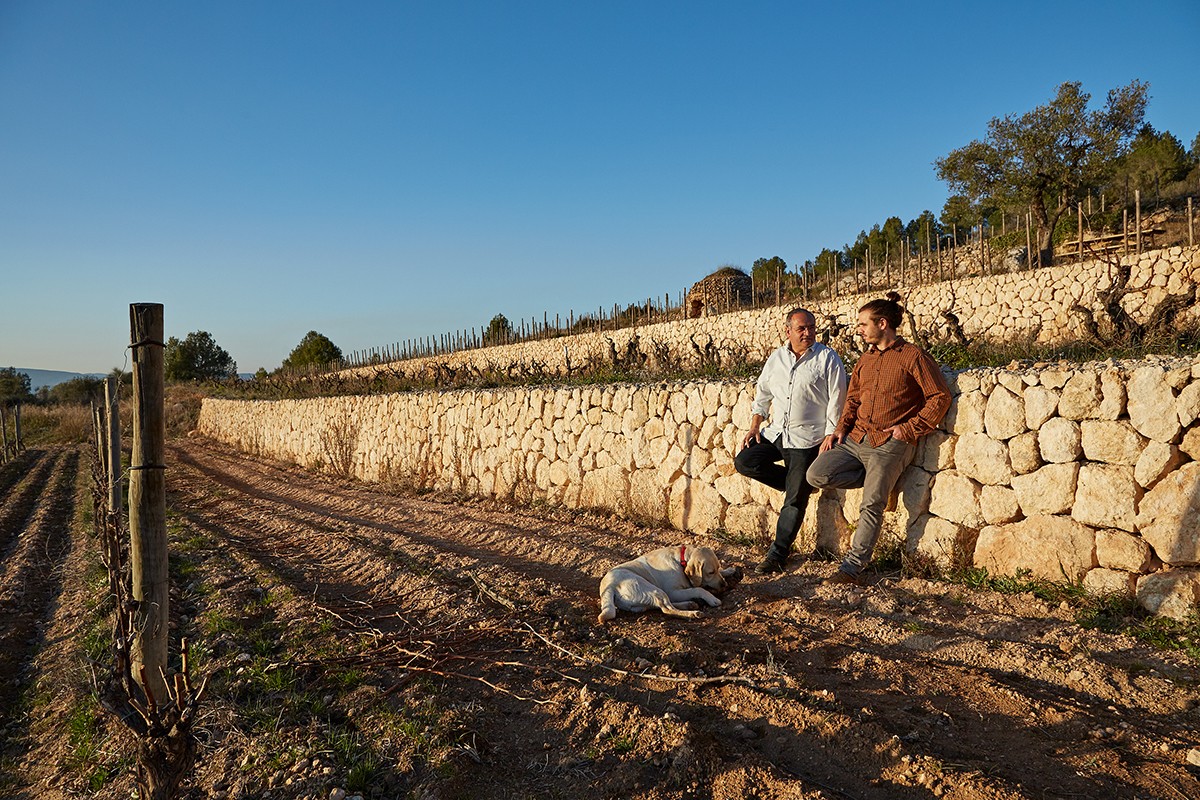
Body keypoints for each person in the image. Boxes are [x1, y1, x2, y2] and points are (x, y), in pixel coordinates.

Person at [807, 292, 951, 585]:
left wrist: (908, 429)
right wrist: (840, 429)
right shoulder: (865, 360)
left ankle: (852, 569)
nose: (858, 329)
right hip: (856, 438)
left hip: (890, 444)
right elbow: (854, 398)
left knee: (871, 503)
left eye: (863, 323)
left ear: (882, 324)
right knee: (816, 474)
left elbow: (939, 396)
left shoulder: (913, 356)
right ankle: (878, 478)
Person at [735, 308, 847, 574]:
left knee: (794, 501)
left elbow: (837, 398)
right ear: (788, 331)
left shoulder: (827, 358)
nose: (808, 333)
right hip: (777, 433)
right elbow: (762, 393)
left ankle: (777, 553)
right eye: (801, 328)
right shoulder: (776, 358)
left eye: (811, 327)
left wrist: (830, 434)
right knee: (745, 461)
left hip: (808, 439)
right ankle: (798, 485)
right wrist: (755, 425)